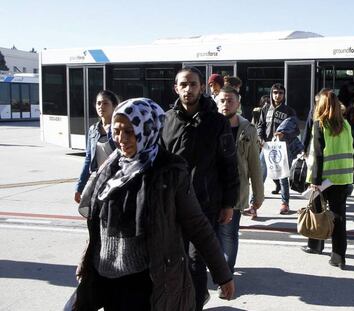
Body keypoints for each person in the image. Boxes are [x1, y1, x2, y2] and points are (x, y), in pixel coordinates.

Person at [74, 98, 235, 310]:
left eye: (129, 132)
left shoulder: (169, 171)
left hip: (145, 281)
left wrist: (222, 274)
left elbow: (197, 225)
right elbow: (98, 223)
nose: (121, 139)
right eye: (116, 131)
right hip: (106, 276)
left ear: (147, 129)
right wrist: (86, 260)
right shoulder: (111, 167)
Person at [160, 67, 239, 310]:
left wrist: (228, 203)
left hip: (205, 206)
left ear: (202, 87)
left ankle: (194, 304)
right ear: (176, 88)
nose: (188, 89)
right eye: (183, 84)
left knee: (196, 263)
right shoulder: (166, 120)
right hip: (171, 206)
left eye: (193, 84)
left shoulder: (216, 122)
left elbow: (229, 164)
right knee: (174, 261)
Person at [301, 89, 354, 270]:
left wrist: (314, 180)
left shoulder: (319, 124)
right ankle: (339, 257)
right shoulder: (346, 124)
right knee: (339, 219)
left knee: (317, 213)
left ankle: (316, 246)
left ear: (321, 105)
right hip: (343, 178)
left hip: (323, 179)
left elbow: (317, 156)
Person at [216, 86, 264, 273]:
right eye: (222, 101)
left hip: (236, 191)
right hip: (211, 191)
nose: (225, 104)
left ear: (238, 103)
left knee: (228, 235)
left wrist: (258, 196)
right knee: (211, 235)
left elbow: (254, 165)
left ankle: (225, 274)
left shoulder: (248, 130)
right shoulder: (208, 124)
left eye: (230, 101)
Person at [257, 83, 297, 214]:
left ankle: (285, 203)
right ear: (271, 94)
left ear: (284, 95)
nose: (277, 95)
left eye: (280, 93)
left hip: (281, 147)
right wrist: (261, 140)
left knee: (283, 176)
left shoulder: (289, 111)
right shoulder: (265, 109)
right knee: (259, 175)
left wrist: (284, 135)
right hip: (266, 146)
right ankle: (254, 205)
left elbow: (296, 130)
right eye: (275, 92)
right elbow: (260, 126)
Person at [74, 90, 120, 204]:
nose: (101, 106)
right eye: (98, 103)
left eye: (105, 103)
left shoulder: (119, 129)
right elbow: (88, 160)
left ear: (114, 106)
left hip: (118, 180)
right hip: (100, 181)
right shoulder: (93, 130)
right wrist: (79, 188)